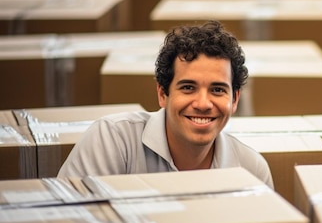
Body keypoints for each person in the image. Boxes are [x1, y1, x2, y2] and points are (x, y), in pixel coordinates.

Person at [57, 20, 273, 188]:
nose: (203, 103)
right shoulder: (112, 142)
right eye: (188, 87)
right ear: (162, 94)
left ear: (234, 100)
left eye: (217, 90)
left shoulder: (251, 170)